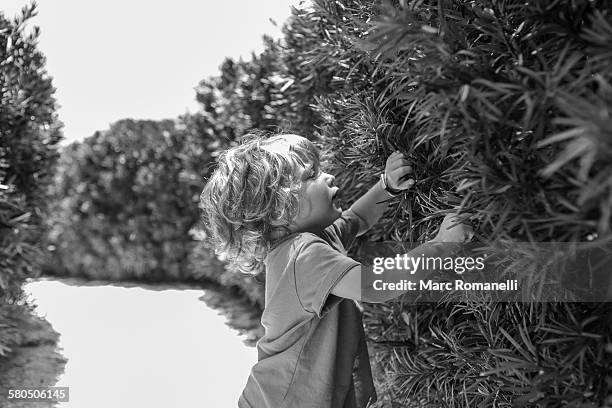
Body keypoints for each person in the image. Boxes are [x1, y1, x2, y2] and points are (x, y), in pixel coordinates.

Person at [200, 133, 472, 408]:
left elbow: (356, 219)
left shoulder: (312, 240)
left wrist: (386, 187)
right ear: (282, 208)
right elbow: (374, 285)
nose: (328, 176)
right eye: (312, 175)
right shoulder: (302, 255)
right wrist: (442, 246)